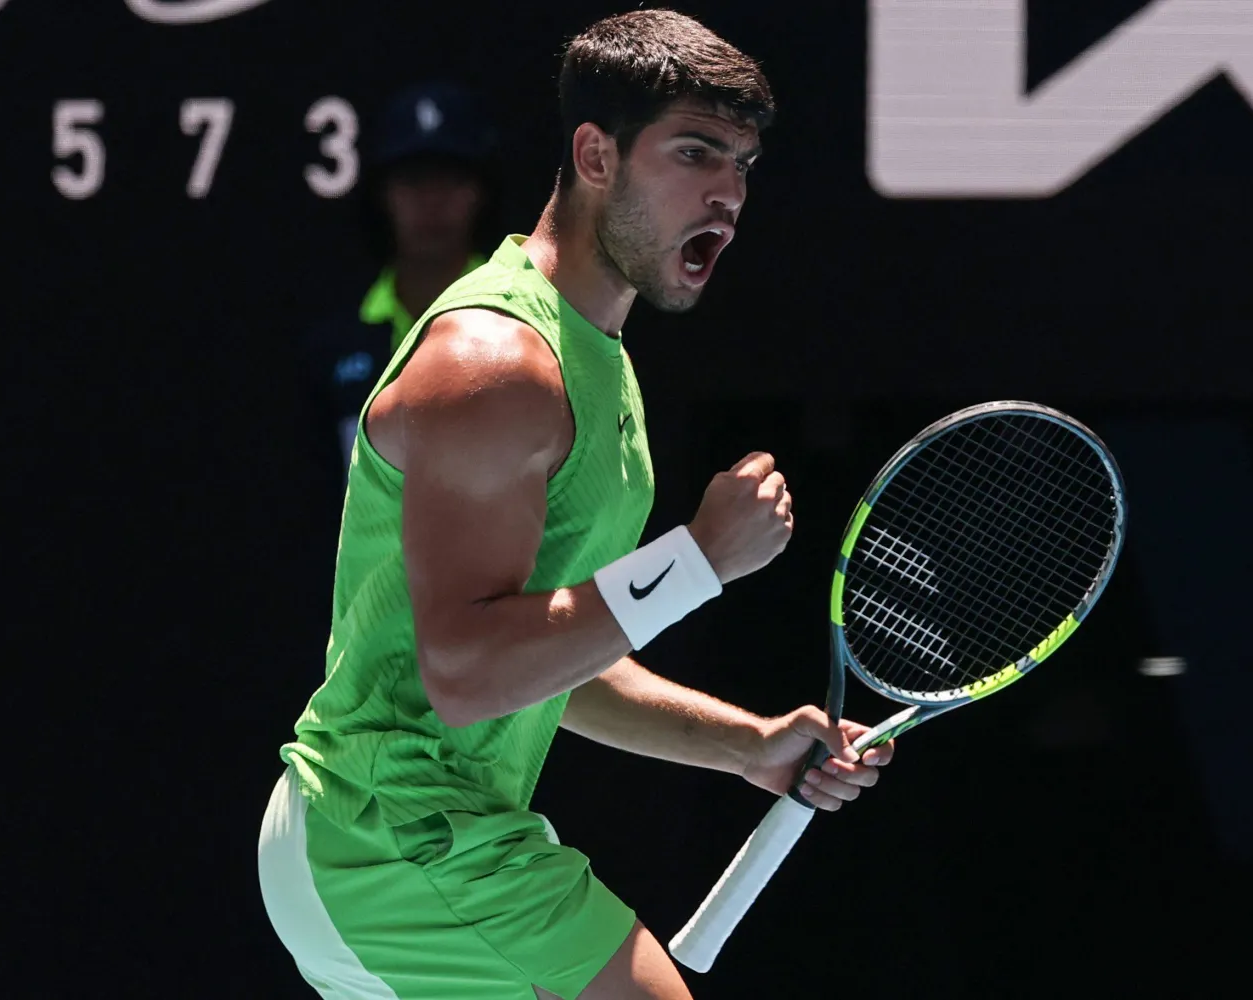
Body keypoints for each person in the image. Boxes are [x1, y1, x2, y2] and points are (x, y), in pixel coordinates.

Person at [258, 11, 896, 1000]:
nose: (726, 193)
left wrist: (746, 743)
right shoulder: (497, 364)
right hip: (399, 834)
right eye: (695, 153)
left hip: (378, 838)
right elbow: (467, 676)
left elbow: (544, 665)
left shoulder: (597, 361)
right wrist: (697, 562)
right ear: (595, 155)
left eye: (742, 164)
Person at [302, 80, 502, 474]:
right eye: (413, 180)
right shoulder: (333, 346)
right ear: (383, 193)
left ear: (479, 190)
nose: (431, 201)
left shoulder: (532, 323)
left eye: (449, 178)